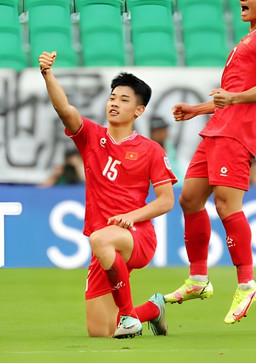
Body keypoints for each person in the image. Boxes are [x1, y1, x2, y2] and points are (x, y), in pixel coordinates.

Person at [166, 0, 256, 324]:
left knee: (225, 204)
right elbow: (230, 95)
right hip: (216, 130)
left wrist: (229, 100)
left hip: (237, 135)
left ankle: (247, 284)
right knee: (189, 199)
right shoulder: (248, 38)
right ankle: (199, 279)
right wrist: (197, 109)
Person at [39, 51, 177, 339]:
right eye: (112, 97)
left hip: (136, 236)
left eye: (124, 100)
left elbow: (166, 200)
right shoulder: (91, 137)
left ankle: (128, 316)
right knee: (100, 331)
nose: (114, 103)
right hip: (105, 246)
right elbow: (65, 109)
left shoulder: (150, 150)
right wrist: (47, 75)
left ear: (139, 111)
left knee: (100, 237)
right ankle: (153, 308)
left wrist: (130, 217)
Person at [149, 116, 184, 185]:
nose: (163, 133)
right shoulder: (149, 151)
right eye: (159, 131)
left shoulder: (170, 146)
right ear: (152, 133)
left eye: (164, 129)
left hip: (179, 186)